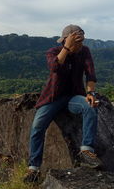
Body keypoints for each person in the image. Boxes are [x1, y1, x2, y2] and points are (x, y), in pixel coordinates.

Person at [23, 24, 102, 184]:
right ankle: (33, 168)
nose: (79, 45)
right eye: (76, 41)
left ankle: (86, 150)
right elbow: (54, 67)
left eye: (81, 41)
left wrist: (90, 94)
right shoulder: (54, 52)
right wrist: (67, 47)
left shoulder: (84, 51)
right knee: (38, 126)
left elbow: (90, 74)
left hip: (74, 96)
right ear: (65, 40)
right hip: (52, 98)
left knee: (90, 107)